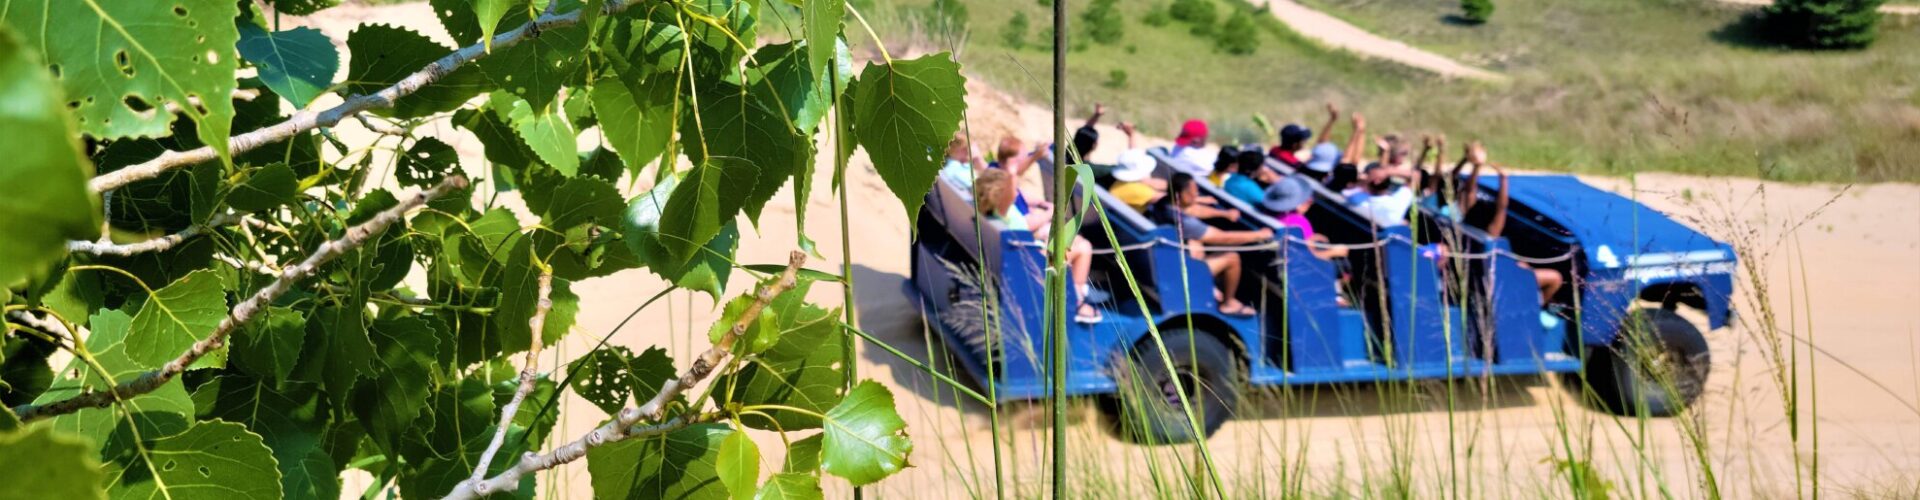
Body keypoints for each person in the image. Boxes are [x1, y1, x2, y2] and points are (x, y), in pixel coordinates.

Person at [973, 168, 1104, 323]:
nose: (1017, 191)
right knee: (1084, 248)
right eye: (1013, 189)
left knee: (1076, 240)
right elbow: (1012, 180)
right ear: (1003, 195)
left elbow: (1021, 228)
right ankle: (1077, 301)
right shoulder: (1004, 210)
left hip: (1024, 254)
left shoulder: (994, 211)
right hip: (1032, 265)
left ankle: (1077, 290)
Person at [1148, 173, 1274, 317]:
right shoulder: (1185, 222)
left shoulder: (1164, 204)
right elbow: (1223, 238)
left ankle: (1212, 286)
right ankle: (1228, 304)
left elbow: (1193, 209)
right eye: (1193, 190)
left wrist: (1223, 214)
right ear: (1181, 195)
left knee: (1196, 243)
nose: (1197, 193)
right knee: (1232, 257)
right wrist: (1259, 235)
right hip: (1178, 275)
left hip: (1164, 262)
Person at [1259, 174, 1347, 260]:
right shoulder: (1299, 223)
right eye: (1305, 198)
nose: (1310, 201)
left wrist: (1310, 238)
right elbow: (1308, 258)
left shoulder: (1264, 210)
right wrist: (1333, 252)